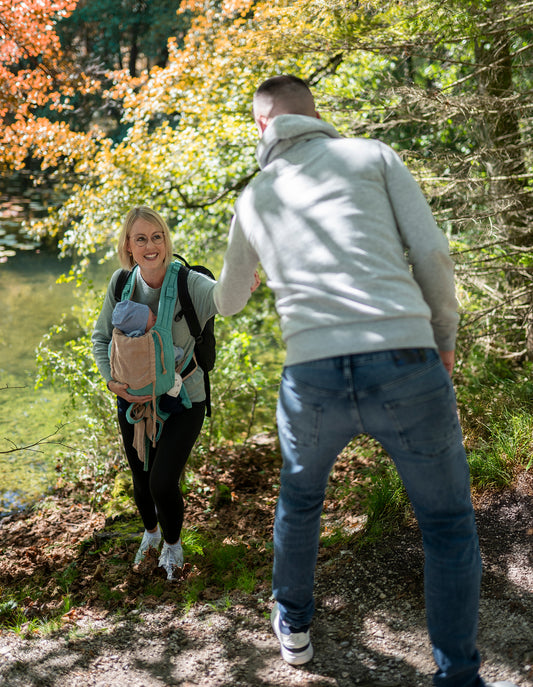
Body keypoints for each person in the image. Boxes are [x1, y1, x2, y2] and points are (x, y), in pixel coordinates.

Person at [213, 75, 517, 687]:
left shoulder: (254, 197)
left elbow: (225, 303)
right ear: (314, 114)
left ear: (261, 128)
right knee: (447, 523)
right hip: (404, 355)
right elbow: (432, 254)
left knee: (301, 501)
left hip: (311, 376)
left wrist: (243, 281)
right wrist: (445, 338)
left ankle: (294, 630)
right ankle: (458, 676)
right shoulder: (372, 155)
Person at [92, 206, 218, 580]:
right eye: (141, 239)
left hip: (185, 400)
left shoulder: (189, 283)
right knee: (141, 479)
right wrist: (112, 382)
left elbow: (223, 298)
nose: (150, 246)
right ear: (129, 247)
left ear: (166, 241)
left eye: (157, 236)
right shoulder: (121, 284)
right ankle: (150, 534)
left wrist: (243, 281)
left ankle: (173, 548)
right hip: (131, 401)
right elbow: (101, 339)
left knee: (163, 481)